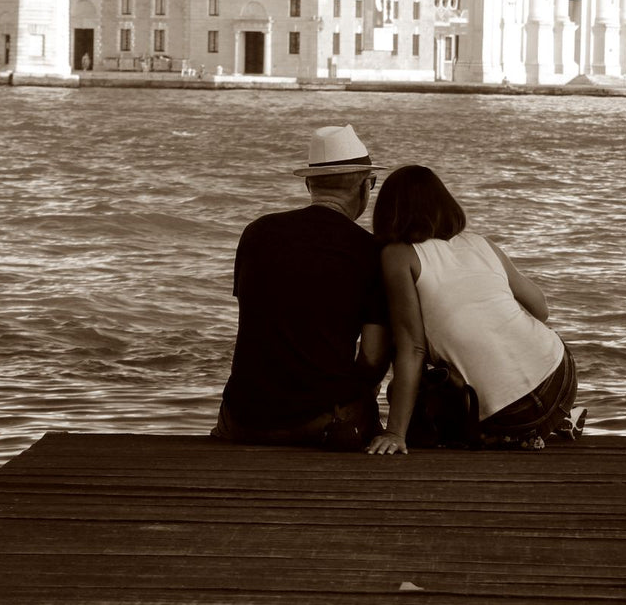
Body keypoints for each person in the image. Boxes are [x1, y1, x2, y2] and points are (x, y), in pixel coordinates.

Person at [365, 165, 582, 455]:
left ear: (389, 212)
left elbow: (412, 347)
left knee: (415, 399)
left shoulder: (397, 256)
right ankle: (554, 420)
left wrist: (395, 432)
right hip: (561, 377)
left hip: (508, 413)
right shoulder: (480, 243)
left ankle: (511, 433)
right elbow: (541, 309)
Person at [213, 125, 391, 450]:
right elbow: (374, 356)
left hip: (241, 419)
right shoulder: (371, 251)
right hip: (321, 424)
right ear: (369, 184)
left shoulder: (257, 233)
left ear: (309, 183)